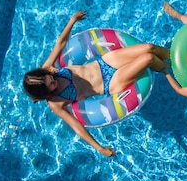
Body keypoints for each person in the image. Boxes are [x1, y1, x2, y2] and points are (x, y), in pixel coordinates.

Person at [23, 11, 170, 156]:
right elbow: (77, 127)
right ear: (46, 93)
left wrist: (72, 20)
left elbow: (60, 43)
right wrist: (100, 148)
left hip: (105, 63)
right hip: (110, 83)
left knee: (148, 48)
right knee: (148, 58)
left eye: (51, 77)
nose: (54, 79)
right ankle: (168, 69)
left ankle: (173, 55)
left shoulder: (47, 69)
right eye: (52, 84)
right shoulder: (55, 103)